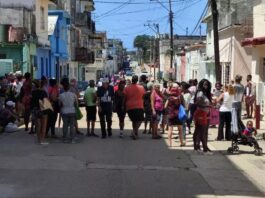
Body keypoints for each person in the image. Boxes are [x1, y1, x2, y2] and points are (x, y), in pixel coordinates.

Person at [193, 79, 212, 154]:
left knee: (203, 130)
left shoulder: (205, 93)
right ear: (201, 85)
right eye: (204, 84)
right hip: (201, 112)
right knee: (202, 131)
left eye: (207, 84)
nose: (206, 86)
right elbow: (196, 103)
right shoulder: (200, 93)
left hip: (206, 113)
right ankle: (202, 147)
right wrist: (206, 105)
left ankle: (203, 146)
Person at [124, 75, 145, 140]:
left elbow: (124, 97)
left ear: (132, 80)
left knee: (134, 121)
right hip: (139, 106)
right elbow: (143, 96)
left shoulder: (127, 88)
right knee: (140, 120)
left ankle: (135, 133)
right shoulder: (141, 87)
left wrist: (124, 106)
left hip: (129, 107)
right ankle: (134, 132)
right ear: (137, 80)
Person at [31, 80, 50, 145]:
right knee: (44, 126)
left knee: (38, 126)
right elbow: (46, 101)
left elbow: (31, 101)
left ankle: (39, 139)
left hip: (35, 110)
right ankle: (42, 141)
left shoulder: (33, 92)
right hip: (43, 109)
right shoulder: (43, 92)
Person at [59, 78, 78, 143]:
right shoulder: (73, 95)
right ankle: (72, 139)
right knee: (72, 126)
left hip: (64, 112)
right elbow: (76, 104)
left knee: (65, 125)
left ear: (64, 88)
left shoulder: (61, 95)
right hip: (72, 111)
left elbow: (60, 104)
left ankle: (64, 138)